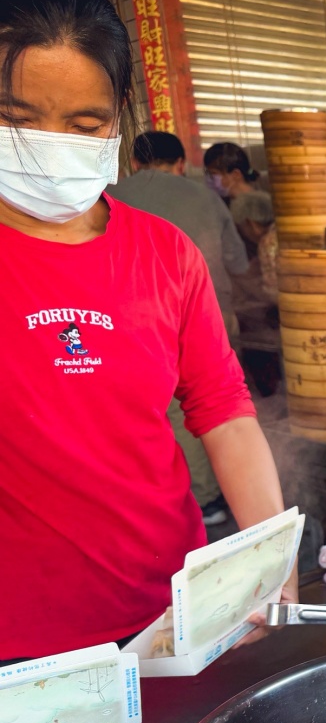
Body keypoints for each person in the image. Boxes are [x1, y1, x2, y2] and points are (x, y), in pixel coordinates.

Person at [0, 0, 294, 659]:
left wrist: (271, 554)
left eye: (82, 124)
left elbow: (222, 408)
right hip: (19, 652)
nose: (51, 145)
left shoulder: (164, 254)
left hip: (173, 622)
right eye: (18, 118)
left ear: (119, 121)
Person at [108, 130, 250, 525]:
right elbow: (238, 263)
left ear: (133, 163)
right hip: (217, 319)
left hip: (143, 327)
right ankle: (230, 495)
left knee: (172, 409)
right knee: (224, 405)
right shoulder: (207, 197)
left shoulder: (110, 199)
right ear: (181, 164)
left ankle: (203, 498)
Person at [228, 189, 282, 397]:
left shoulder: (267, 242)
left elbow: (271, 292)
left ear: (250, 223)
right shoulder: (280, 232)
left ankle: (269, 392)